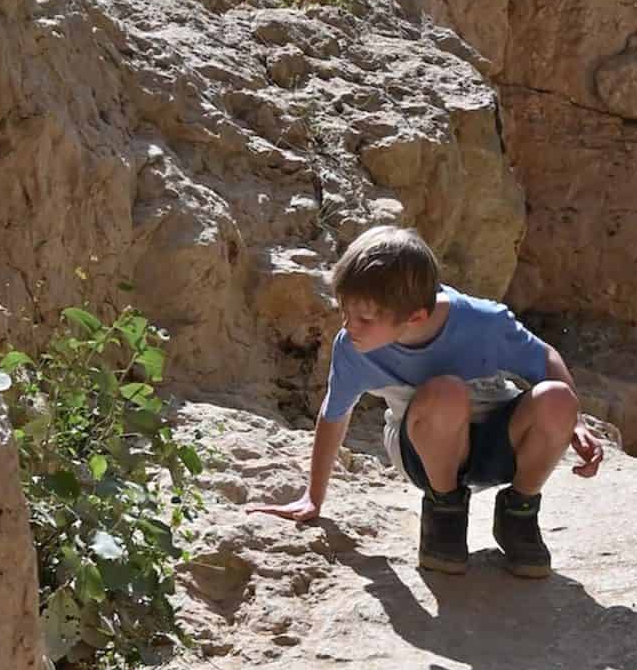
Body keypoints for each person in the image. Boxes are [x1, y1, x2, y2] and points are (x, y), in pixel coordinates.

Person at [251, 224, 603, 577]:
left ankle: (519, 513)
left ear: (415, 316)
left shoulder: (483, 323)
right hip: (425, 453)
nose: (348, 326)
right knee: (445, 392)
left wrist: (576, 423)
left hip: (499, 448)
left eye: (364, 318)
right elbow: (335, 414)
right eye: (345, 311)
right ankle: (444, 513)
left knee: (557, 398)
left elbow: (545, 360)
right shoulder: (354, 348)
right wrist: (314, 496)